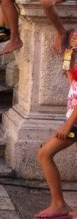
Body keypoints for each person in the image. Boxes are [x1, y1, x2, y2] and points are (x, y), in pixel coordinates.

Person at [34, 30, 77, 219]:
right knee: (44, 153)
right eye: (73, 36)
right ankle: (58, 204)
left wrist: (68, 125)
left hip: (74, 122)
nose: (74, 37)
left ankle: (59, 204)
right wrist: (70, 55)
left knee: (45, 153)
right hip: (73, 119)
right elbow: (71, 79)